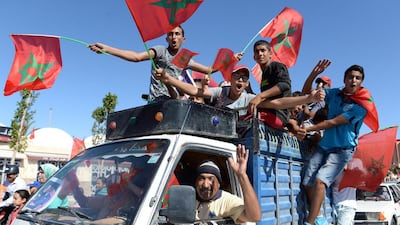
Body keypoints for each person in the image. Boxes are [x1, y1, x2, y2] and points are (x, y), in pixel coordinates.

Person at [301, 64, 368, 225]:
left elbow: (333, 122)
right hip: (325, 145)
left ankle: (309, 223)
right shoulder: (335, 94)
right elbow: (306, 92)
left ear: (361, 82)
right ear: (344, 79)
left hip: (342, 150)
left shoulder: (361, 106)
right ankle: (318, 218)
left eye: (357, 78)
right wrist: (313, 73)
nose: (353, 80)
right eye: (350, 77)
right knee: (307, 182)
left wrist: (310, 128)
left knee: (320, 181)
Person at [89, 26, 214, 103]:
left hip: (173, 101)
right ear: (166, 39)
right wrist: (107, 49)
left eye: (177, 34)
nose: (173, 37)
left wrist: (230, 60)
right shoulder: (160, 51)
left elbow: (209, 69)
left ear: (183, 39)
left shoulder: (185, 59)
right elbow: (136, 57)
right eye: (170, 34)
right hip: (156, 100)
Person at [154, 65, 256, 118]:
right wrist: (168, 79)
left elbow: (270, 103)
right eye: (236, 76)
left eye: (244, 78)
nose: (240, 80)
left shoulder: (250, 99)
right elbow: (194, 91)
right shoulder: (221, 92)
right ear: (230, 79)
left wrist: (259, 98)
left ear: (247, 84)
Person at [195, 144, 261, 223]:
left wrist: (242, 175)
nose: (206, 185)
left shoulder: (228, 201)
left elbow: (254, 217)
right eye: (201, 179)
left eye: (211, 179)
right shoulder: (191, 200)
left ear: (219, 184)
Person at [248, 40, 292, 129]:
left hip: (278, 115)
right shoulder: (264, 75)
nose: (260, 54)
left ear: (270, 54)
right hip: (266, 112)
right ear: (254, 57)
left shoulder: (277, 66)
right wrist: (249, 90)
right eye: (257, 51)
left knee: (244, 121)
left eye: (263, 50)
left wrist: (260, 96)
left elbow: (285, 85)